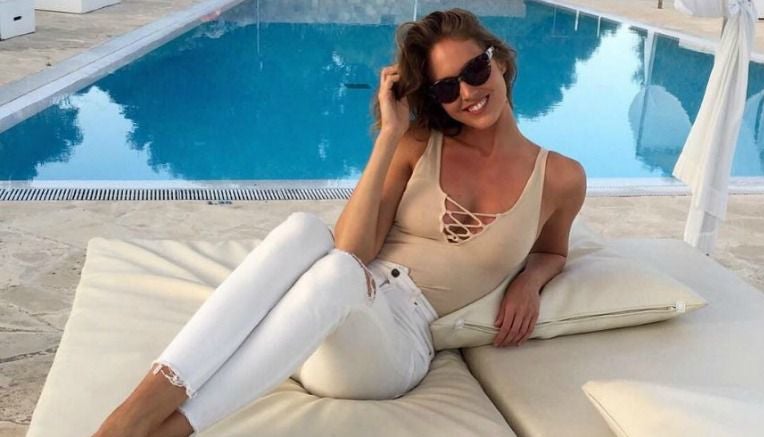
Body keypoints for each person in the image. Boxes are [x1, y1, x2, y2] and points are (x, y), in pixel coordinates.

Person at [93, 8, 586, 437]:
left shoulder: (560, 177)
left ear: (499, 61)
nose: (468, 92)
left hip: (390, 347)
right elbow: (352, 249)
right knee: (305, 229)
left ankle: (166, 429)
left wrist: (530, 280)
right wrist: (389, 135)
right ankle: (133, 415)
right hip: (321, 314)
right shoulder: (418, 144)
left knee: (336, 271)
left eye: (476, 69)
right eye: (446, 87)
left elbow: (552, 250)